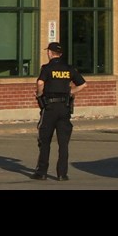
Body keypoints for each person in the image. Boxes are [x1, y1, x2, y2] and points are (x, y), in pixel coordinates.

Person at [30, 42, 86, 181]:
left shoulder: (47, 68)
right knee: (63, 143)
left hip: (50, 108)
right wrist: (70, 91)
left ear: (50, 53)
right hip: (64, 108)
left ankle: (42, 172)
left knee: (45, 141)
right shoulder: (69, 68)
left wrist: (39, 95)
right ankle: (62, 174)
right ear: (60, 54)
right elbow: (84, 84)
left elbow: (40, 83)